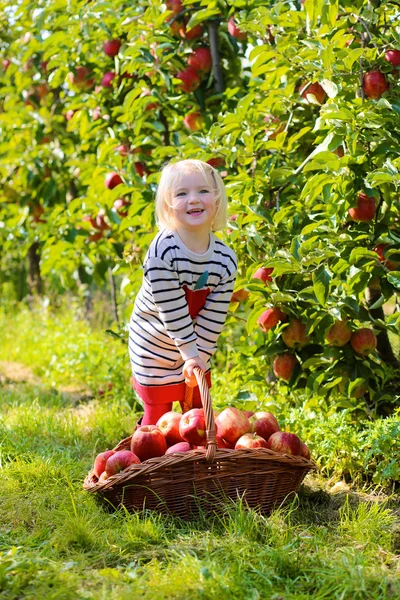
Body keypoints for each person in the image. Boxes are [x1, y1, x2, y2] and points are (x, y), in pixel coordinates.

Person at [128, 159, 237, 425]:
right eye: (181, 193)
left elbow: (214, 317)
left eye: (203, 191)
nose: (193, 199)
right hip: (153, 343)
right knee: (160, 419)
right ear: (168, 205)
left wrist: (198, 358)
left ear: (217, 198)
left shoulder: (225, 260)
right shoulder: (163, 250)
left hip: (195, 347)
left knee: (199, 416)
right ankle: (152, 460)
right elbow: (172, 311)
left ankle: (196, 461)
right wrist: (189, 354)